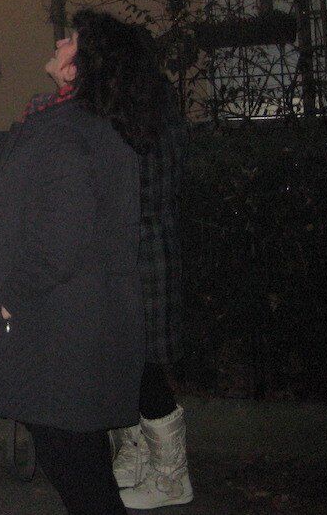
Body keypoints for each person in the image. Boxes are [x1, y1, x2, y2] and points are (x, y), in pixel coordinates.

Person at [0, 10, 164, 515]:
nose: (59, 42)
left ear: (83, 66)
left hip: (59, 333)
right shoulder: (77, 125)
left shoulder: (67, 131)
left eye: (71, 40)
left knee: (79, 473)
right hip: (72, 328)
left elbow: (62, 236)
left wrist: (12, 297)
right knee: (79, 467)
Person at [113, 72, 193, 509]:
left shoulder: (144, 113)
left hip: (142, 250)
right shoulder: (147, 106)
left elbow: (143, 187)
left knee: (143, 364)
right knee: (130, 362)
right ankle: (140, 455)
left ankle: (171, 476)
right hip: (139, 247)